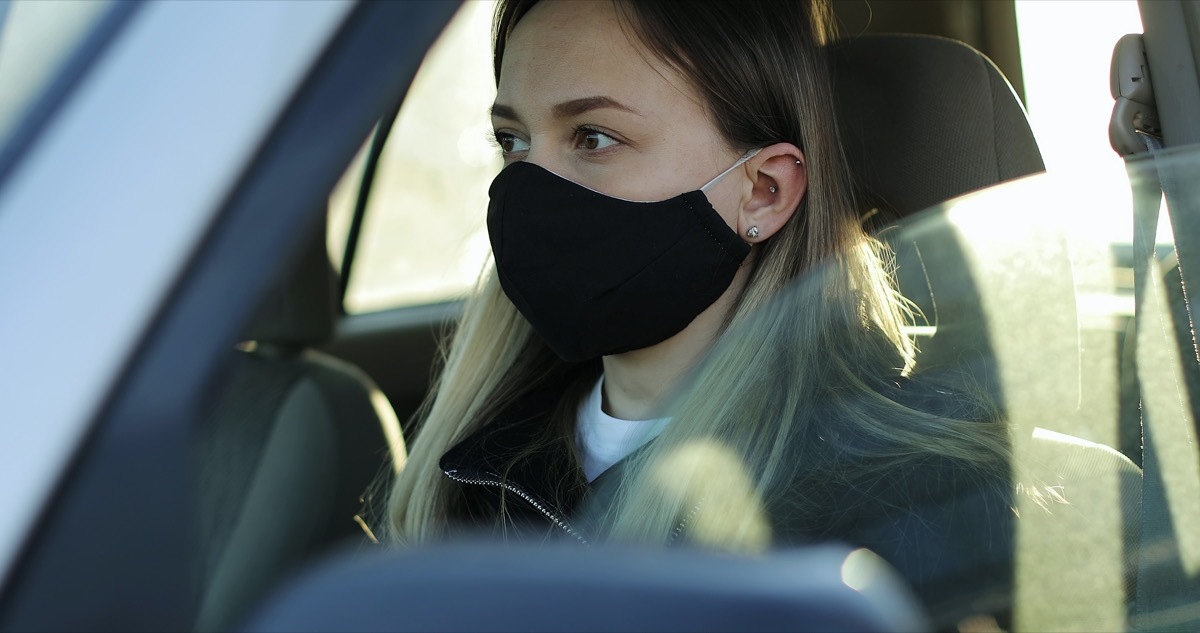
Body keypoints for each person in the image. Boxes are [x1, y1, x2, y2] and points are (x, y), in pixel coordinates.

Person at [384, 0, 1016, 622]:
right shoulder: (467, 472)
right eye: (512, 140)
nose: (525, 189)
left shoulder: (908, 509)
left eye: (595, 136)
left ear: (763, 192)